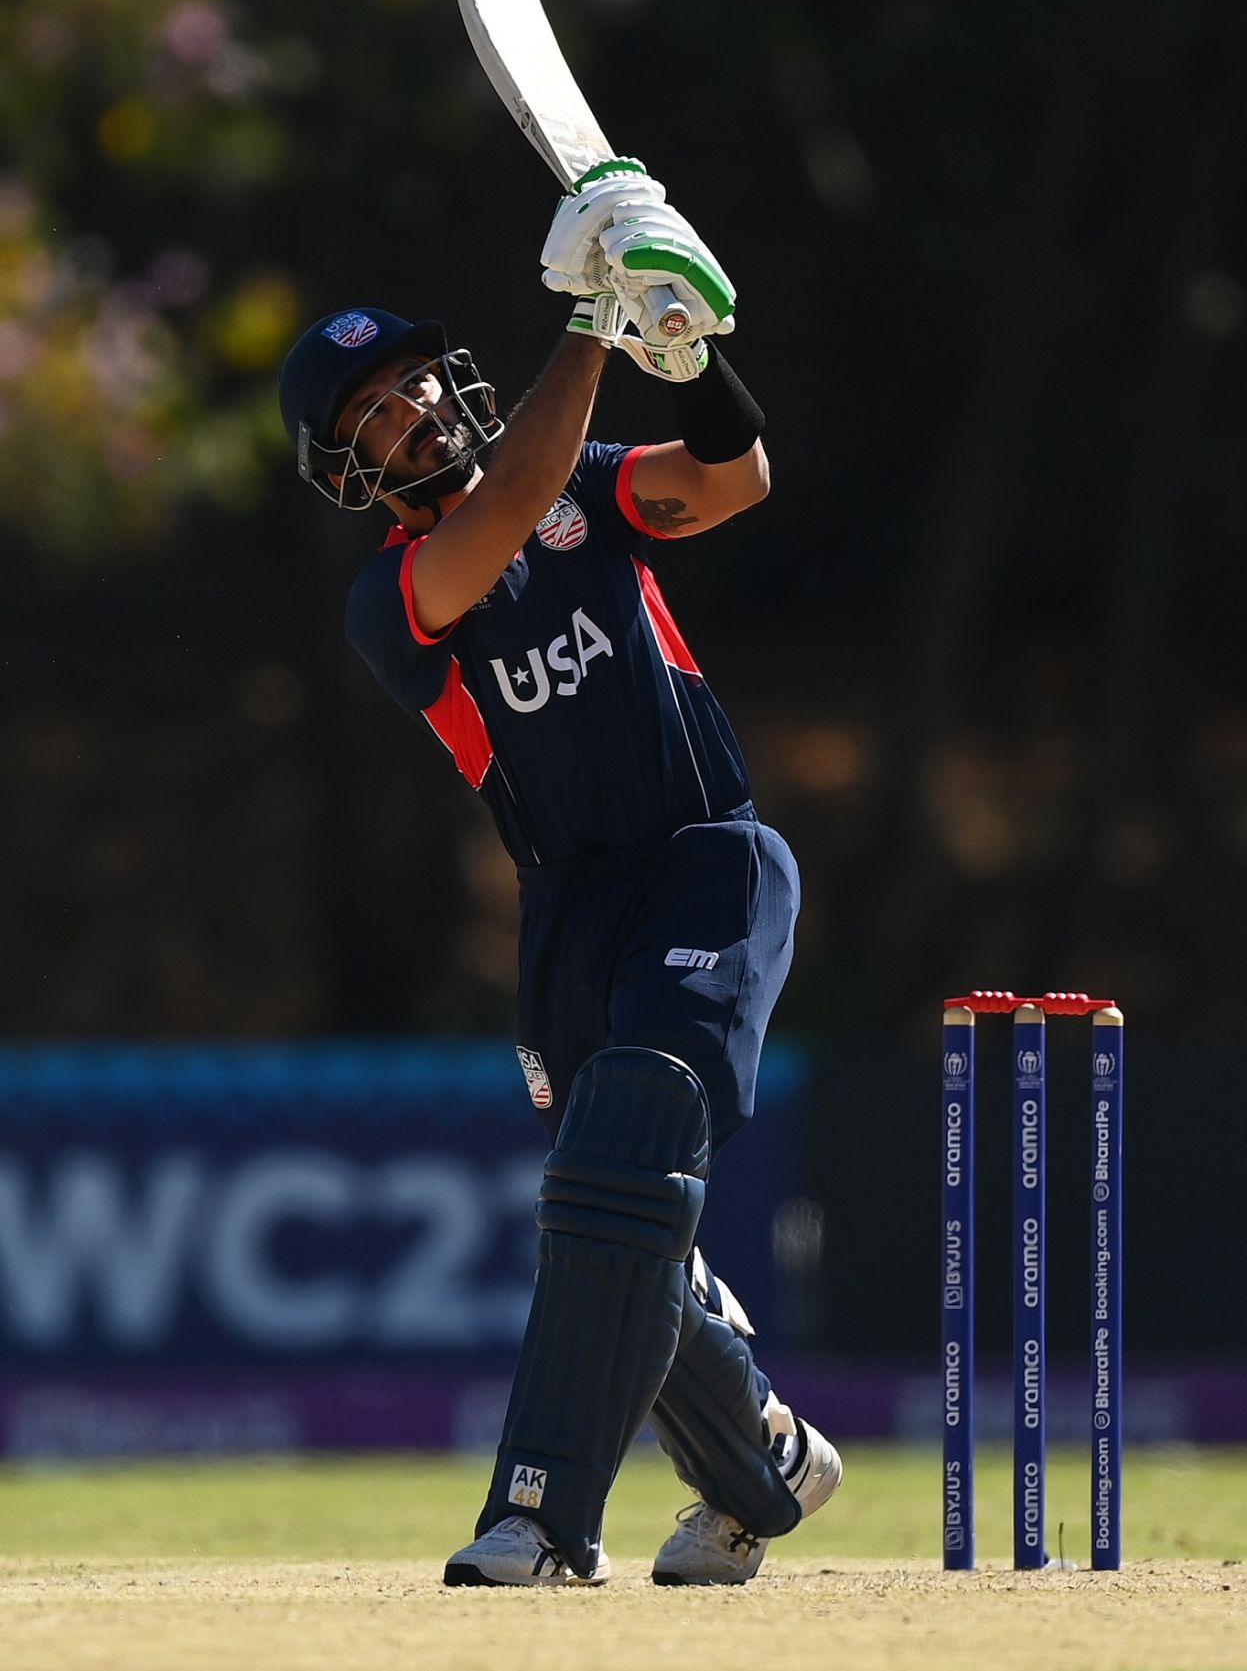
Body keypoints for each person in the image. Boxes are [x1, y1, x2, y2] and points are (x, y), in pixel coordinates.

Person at [277, 160, 842, 1587]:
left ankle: (542, 1516)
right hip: (569, 910)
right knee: (615, 1219)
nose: (406, 412)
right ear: (353, 470)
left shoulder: (593, 486)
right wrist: (594, 318)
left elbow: (738, 475)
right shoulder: (395, 598)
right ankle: (763, 1463)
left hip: (708, 858)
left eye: (410, 383)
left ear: (452, 377)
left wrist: (686, 349)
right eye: (372, 416)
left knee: (629, 1152)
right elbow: (516, 495)